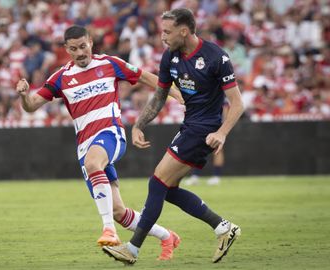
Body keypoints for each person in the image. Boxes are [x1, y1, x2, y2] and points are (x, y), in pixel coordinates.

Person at [15, 25, 184, 260]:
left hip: (110, 134)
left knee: (94, 163)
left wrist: (176, 93)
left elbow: (146, 77)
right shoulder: (61, 78)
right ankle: (167, 236)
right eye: (74, 49)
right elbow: (32, 106)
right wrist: (24, 95)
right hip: (85, 147)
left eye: (83, 46)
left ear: (91, 43)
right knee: (118, 211)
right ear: (67, 50)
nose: (80, 52)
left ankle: (109, 231)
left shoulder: (109, 63)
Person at [103, 8, 244, 265]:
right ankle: (223, 227)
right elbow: (159, 95)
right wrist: (138, 125)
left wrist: (221, 133)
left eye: (167, 32)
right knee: (167, 190)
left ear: (184, 30)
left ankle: (132, 249)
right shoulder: (170, 57)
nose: (163, 37)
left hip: (204, 129)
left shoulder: (216, 57)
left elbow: (237, 103)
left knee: (157, 183)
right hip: (189, 125)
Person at [184, 102, 229, 186]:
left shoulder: (219, 91)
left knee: (217, 149)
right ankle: (195, 176)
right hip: (201, 122)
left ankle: (216, 176)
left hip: (215, 122)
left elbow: (225, 107)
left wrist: (222, 128)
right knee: (196, 148)